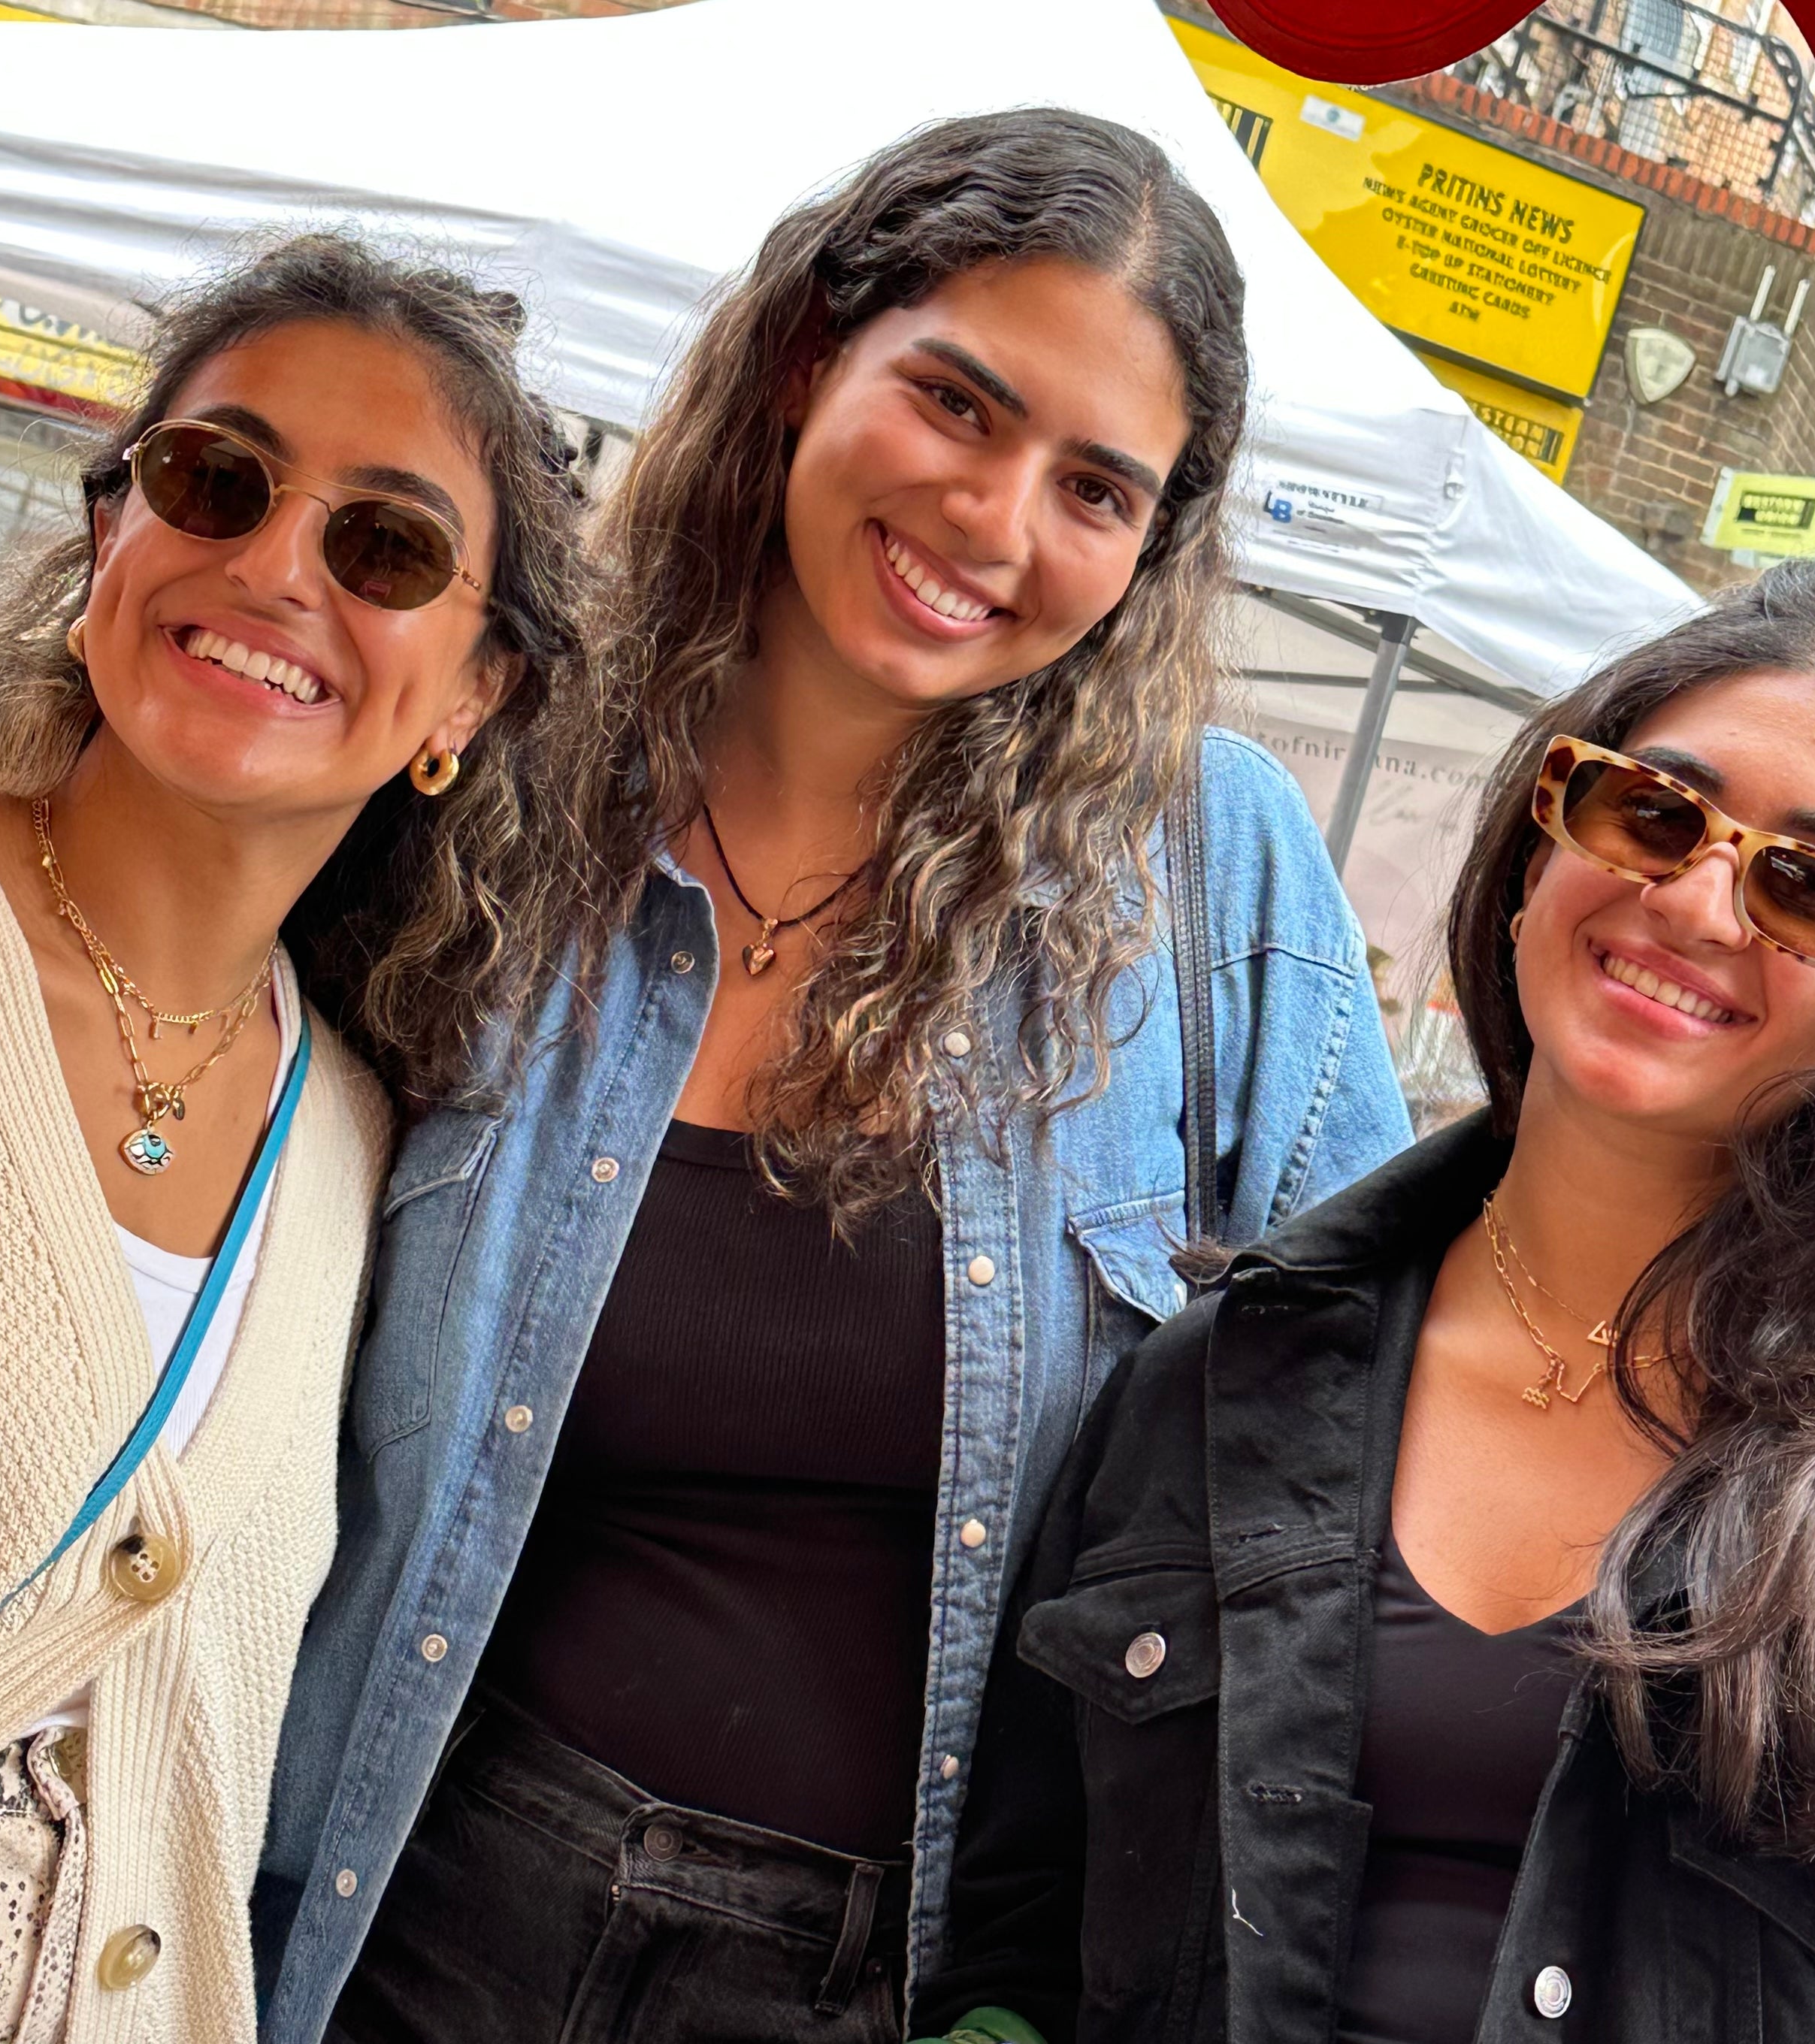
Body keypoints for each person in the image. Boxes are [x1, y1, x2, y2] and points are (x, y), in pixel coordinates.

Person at [252, 109, 1412, 2044]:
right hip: (412, 1898)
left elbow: (1358, 1465)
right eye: (956, 402)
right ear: (810, 353)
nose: (995, 521)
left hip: (895, 1982)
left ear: (1150, 547)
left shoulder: (1205, 878)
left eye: (1095, 488)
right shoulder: (508, 772)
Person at [914, 561, 1815, 2042]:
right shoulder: (1220, 1380)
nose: (1693, 902)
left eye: (1809, 889)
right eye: (1651, 812)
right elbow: (1017, 1938)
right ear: (1541, 842)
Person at [0, 233, 603, 2044]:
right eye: (213, 479)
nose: (269, 566)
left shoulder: (367, 1151)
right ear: (113, 530)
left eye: (384, 546)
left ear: (471, 695)